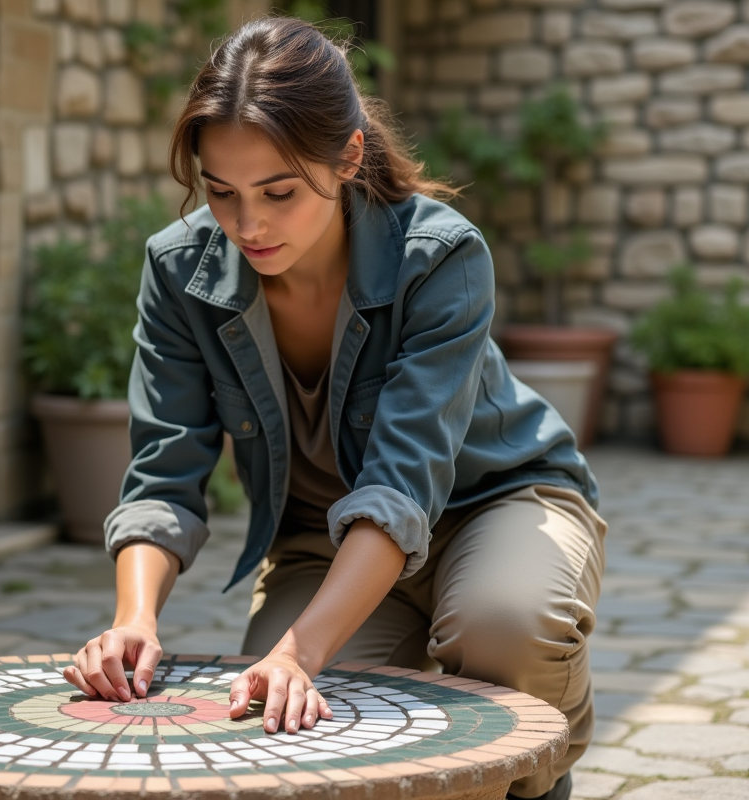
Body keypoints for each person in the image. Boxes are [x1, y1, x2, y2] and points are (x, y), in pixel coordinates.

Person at [60, 17, 606, 800]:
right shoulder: (179, 273)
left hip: (495, 503)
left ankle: (540, 770)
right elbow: (162, 473)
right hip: (321, 542)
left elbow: (403, 483)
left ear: (348, 156)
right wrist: (134, 621)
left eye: (279, 191)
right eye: (221, 192)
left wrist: (302, 650)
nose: (248, 224)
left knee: (503, 628)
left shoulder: (440, 256)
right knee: (280, 734)